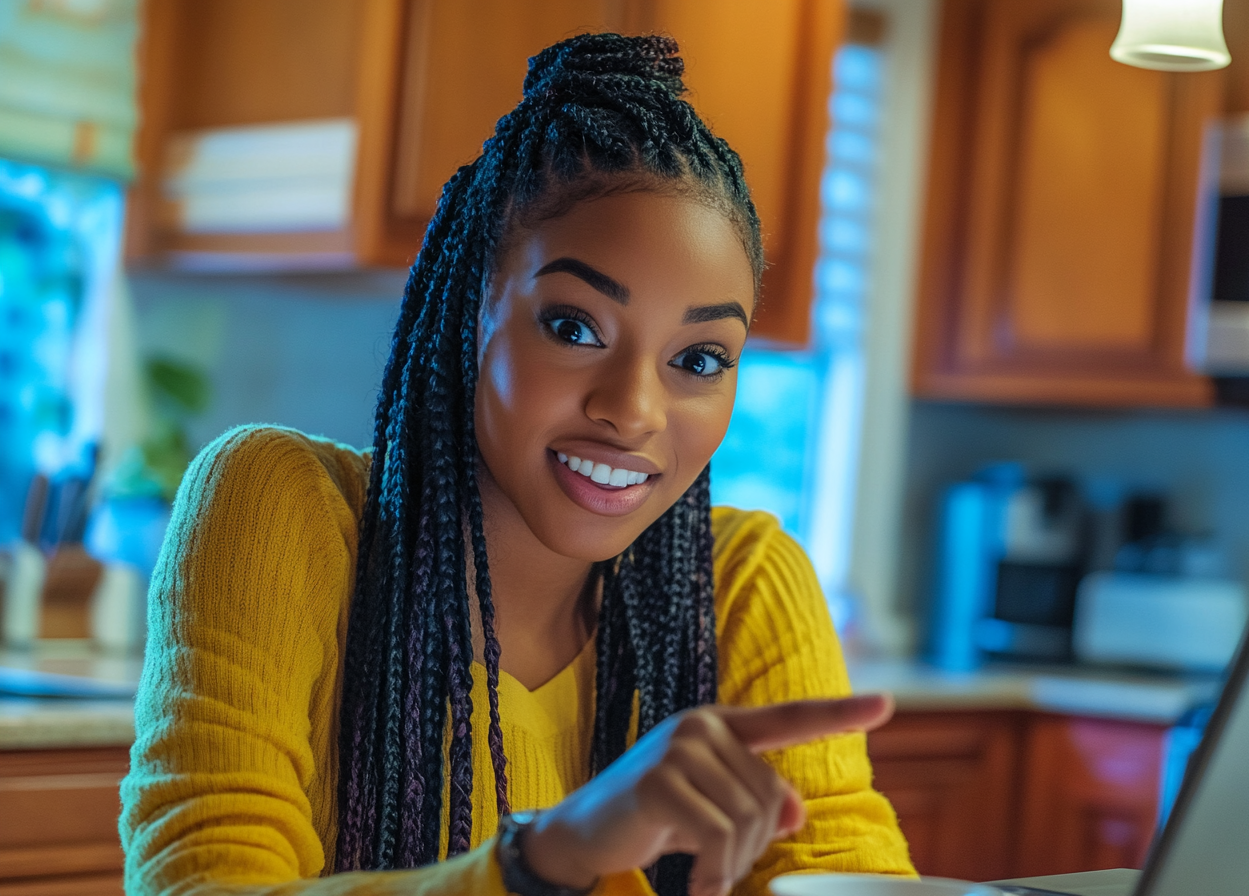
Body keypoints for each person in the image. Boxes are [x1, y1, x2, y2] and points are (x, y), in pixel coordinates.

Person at [119, 33, 916, 896]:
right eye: (574, 328)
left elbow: (844, 873)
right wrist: (546, 861)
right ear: (471, 316)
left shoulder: (743, 586)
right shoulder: (281, 507)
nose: (635, 412)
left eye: (700, 359)